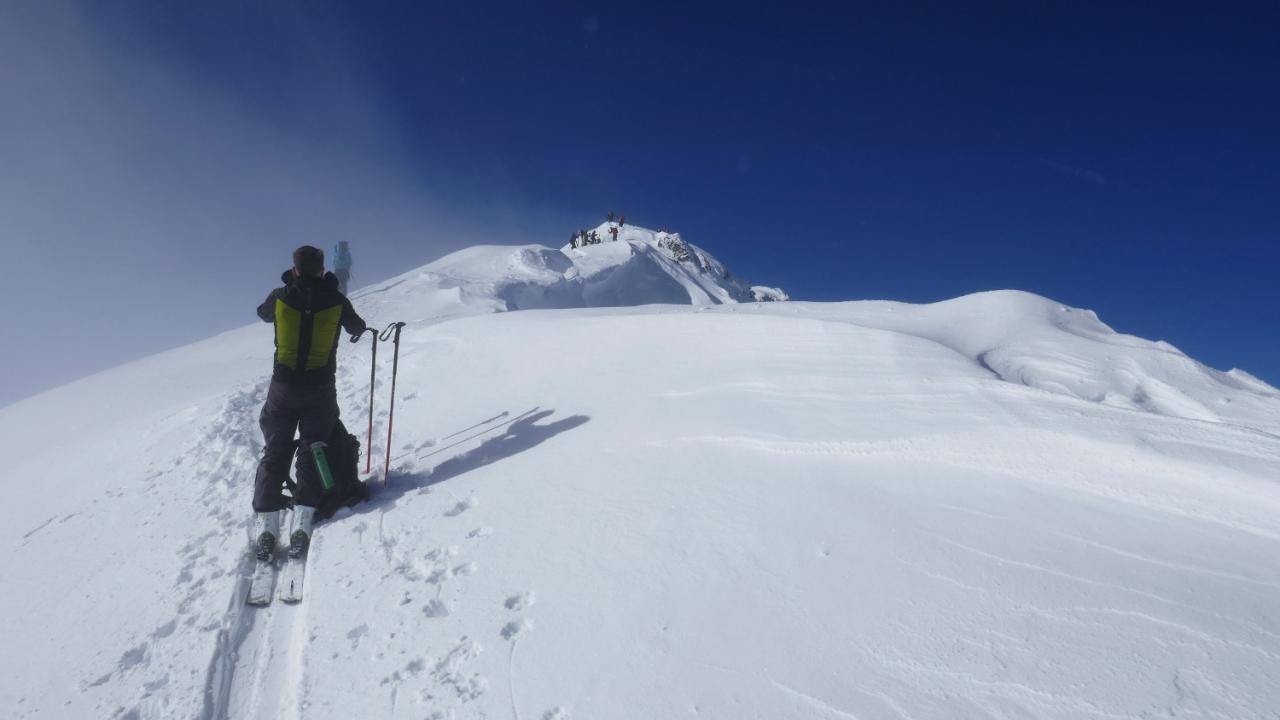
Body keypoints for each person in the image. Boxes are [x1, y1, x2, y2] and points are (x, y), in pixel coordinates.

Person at [252, 246, 367, 561]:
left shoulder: (280, 296)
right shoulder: (337, 300)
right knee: (314, 447)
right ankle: (302, 521)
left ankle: (266, 523)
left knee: (275, 448)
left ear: (296, 268)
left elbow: (262, 313)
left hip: (283, 387)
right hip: (319, 388)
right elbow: (356, 327)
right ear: (322, 269)